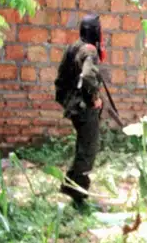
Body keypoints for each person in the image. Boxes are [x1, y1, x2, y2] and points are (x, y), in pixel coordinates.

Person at [54, 14, 105, 210]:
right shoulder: (89, 50)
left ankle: (72, 187)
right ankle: (77, 195)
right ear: (95, 32)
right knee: (88, 150)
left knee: (84, 148)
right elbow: (88, 76)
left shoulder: (75, 46)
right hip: (82, 106)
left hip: (72, 103)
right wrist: (94, 99)